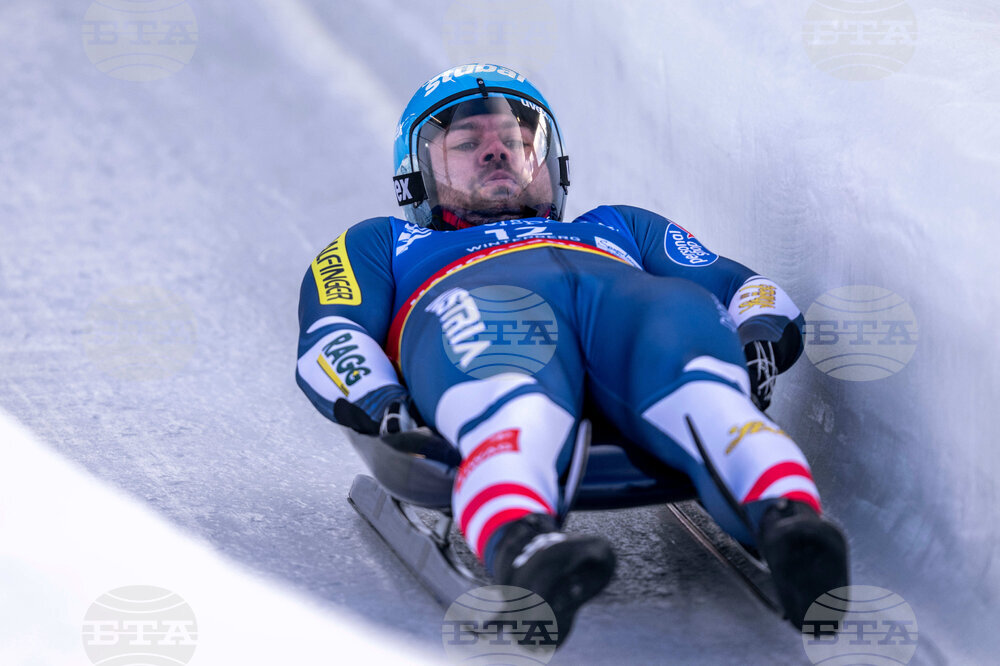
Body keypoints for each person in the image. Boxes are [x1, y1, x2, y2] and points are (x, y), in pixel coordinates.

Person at [296, 63, 848, 642]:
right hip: (485, 305)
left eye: (515, 141)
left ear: (549, 162)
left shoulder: (621, 226)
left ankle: (793, 528)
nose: (497, 153)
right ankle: (527, 548)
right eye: (467, 144)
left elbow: (741, 286)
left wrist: (759, 335)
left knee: (698, 368)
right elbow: (331, 335)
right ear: (418, 176)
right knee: (512, 401)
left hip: (624, 303)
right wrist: (379, 401)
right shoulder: (382, 242)